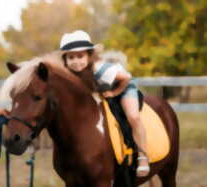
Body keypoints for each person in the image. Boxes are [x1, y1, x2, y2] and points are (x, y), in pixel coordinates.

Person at [59, 30, 150, 177]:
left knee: (133, 116)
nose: (76, 61)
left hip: (123, 86)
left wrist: (114, 93)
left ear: (89, 56)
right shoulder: (70, 73)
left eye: (80, 56)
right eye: (71, 57)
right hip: (101, 90)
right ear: (65, 60)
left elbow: (124, 78)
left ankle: (142, 156)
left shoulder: (100, 68)